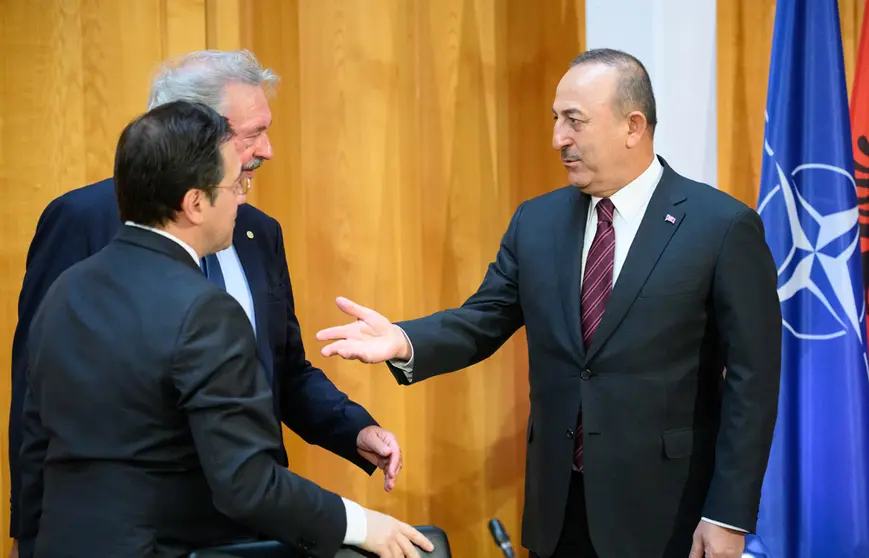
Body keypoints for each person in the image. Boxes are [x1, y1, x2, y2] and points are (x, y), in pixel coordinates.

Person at [314, 48, 782, 558]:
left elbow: (753, 383)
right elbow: (481, 319)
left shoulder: (720, 226)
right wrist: (404, 340)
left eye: (574, 121)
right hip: (558, 512)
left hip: (669, 514)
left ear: (633, 126)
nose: (558, 138)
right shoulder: (535, 222)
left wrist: (728, 515)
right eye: (556, 120)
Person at [8, 50, 403, 555]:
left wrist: (355, 430)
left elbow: (279, 368)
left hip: (245, 527)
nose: (267, 151)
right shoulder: (81, 223)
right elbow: (36, 397)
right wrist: (28, 529)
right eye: (250, 134)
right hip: (164, 536)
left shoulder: (257, 230)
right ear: (192, 135)